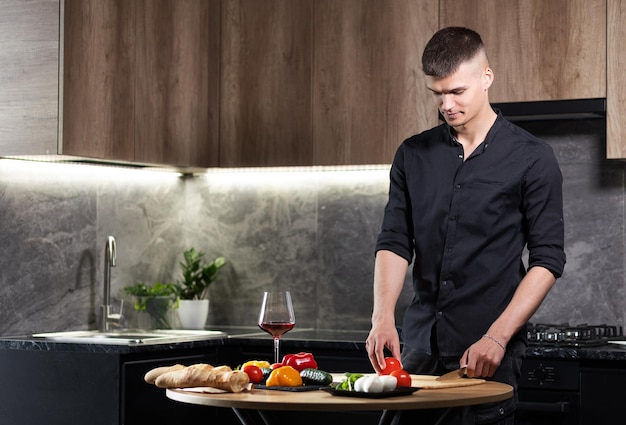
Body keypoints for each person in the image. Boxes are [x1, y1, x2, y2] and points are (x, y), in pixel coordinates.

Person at [365, 27, 566, 425]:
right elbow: (394, 241)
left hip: (488, 352)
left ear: (486, 77)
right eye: (437, 94)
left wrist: (498, 337)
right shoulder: (412, 154)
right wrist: (382, 317)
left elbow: (548, 259)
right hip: (418, 348)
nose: (446, 104)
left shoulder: (533, 158)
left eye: (457, 91)